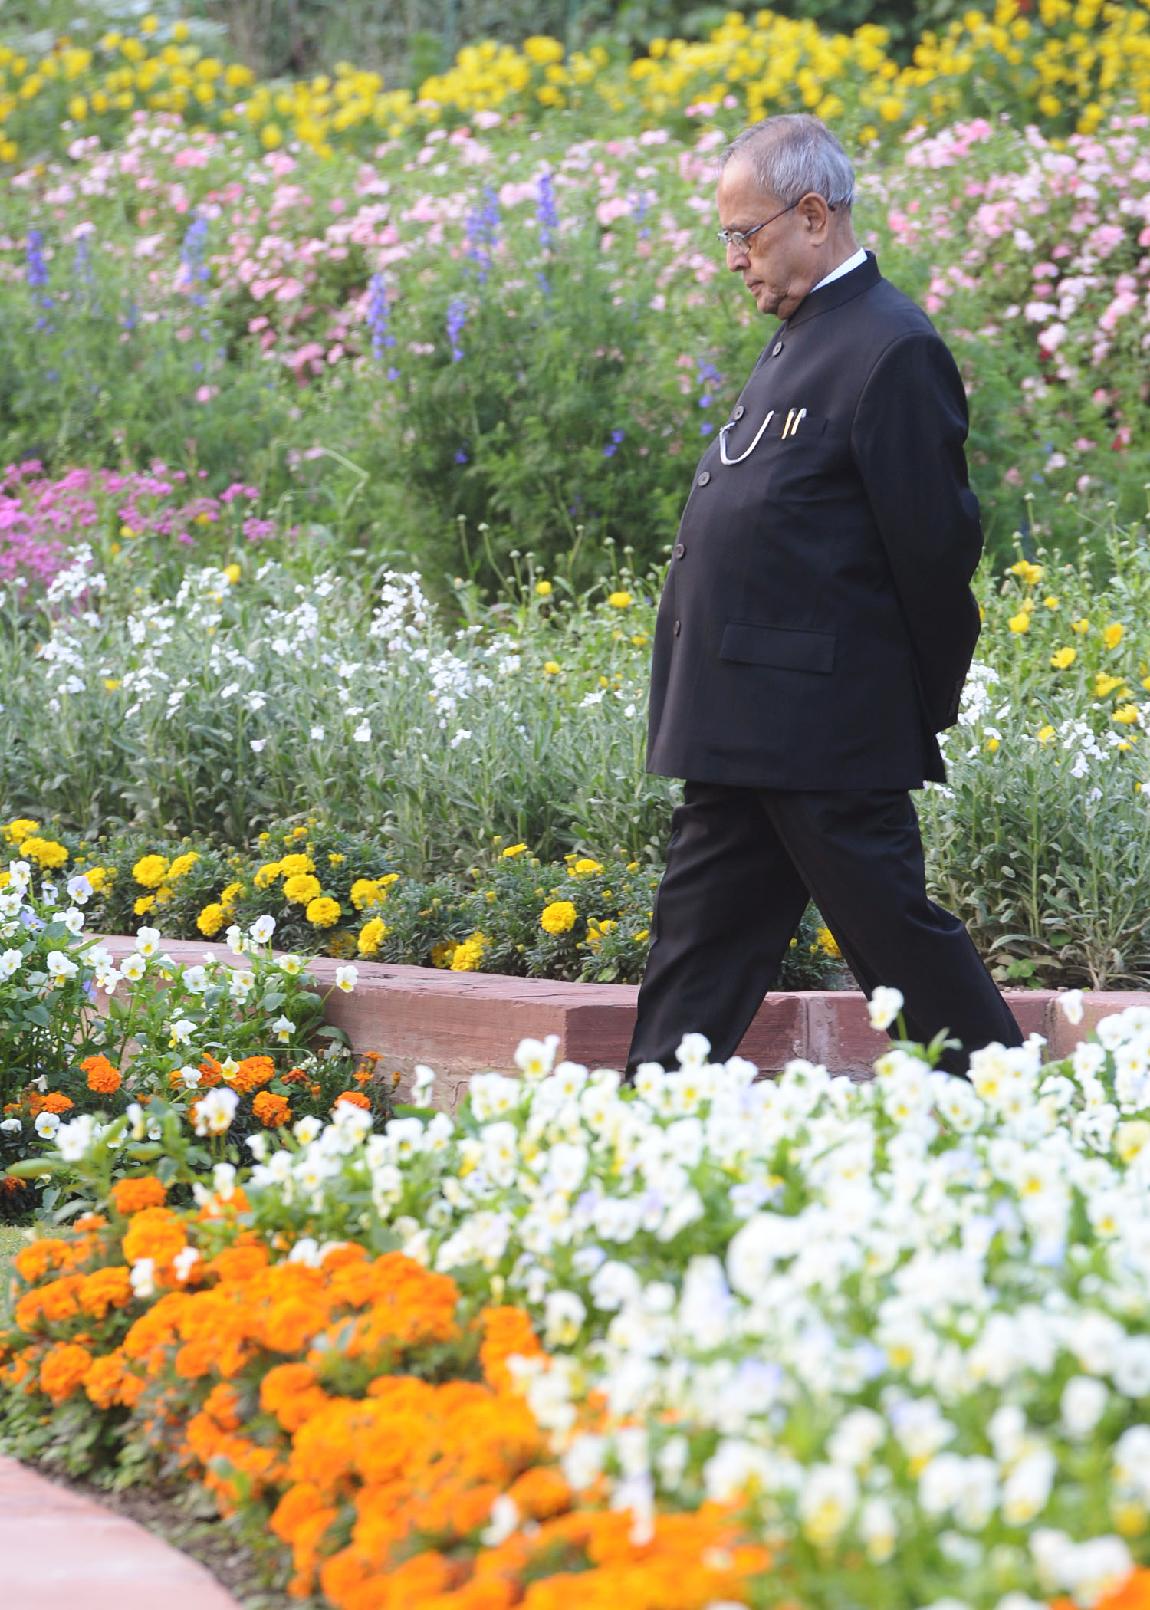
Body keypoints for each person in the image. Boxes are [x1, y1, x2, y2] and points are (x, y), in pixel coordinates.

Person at [626, 112, 1023, 1080]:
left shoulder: (890, 345)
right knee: (699, 938)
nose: (732, 259)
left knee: (897, 941)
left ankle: (1017, 1108)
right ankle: (642, 1121)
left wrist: (908, 706)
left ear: (812, 215)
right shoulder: (804, 336)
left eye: (743, 234)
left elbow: (935, 553)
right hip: (744, 720)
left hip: (822, 728)